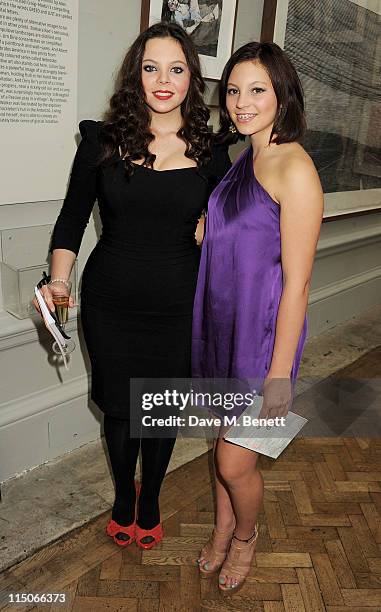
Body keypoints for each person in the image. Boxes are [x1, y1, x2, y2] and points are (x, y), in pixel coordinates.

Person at [33, 22, 230, 550]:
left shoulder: (211, 149)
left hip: (179, 301)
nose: (163, 81)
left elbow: (233, 222)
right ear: (134, 75)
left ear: (192, 77)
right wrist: (57, 280)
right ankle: (124, 496)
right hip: (112, 299)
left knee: (159, 411)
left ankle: (150, 501)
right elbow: (72, 219)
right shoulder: (101, 140)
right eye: (151, 68)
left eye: (176, 68)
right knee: (120, 408)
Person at [192, 42, 323, 591]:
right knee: (223, 446)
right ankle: (223, 531)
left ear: (282, 95)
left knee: (235, 463)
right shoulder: (248, 152)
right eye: (234, 91)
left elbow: (297, 284)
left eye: (257, 91)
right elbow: (242, 230)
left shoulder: (294, 167)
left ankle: (244, 536)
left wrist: (277, 377)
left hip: (262, 340)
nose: (241, 103)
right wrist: (209, 226)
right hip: (223, 325)